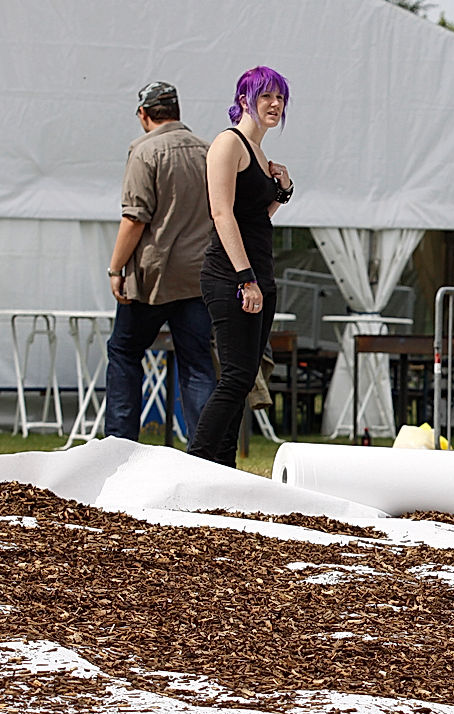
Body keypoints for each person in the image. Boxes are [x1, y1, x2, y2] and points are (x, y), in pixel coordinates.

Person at [187, 66, 293, 467]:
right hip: (231, 276)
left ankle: (223, 469)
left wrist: (281, 193)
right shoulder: (228, 144)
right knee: (234, 378)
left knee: (244, 379)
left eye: (280, 98)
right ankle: (195, 463)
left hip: (258, 275)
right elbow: (221, 212)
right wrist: (245, 279)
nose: (275, 104)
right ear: (244, 99)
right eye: (266, 96)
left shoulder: (258, 151)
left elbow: (253, 216)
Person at [105, 81, 216, 441]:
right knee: (197, 364)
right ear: (177, 112)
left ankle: (120, 446)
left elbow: (135, 218)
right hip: (199, 275)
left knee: (124, 351)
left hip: (153, 275)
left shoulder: (144, 151)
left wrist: (116, 267)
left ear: (143, 114)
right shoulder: (208, 150)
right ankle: (206, 456)